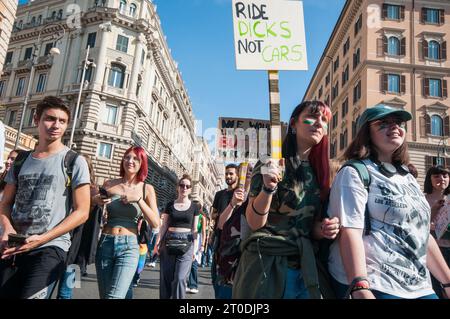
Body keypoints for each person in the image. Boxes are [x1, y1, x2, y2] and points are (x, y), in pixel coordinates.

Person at [328, 104, 450, 299]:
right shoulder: (354, 172)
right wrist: (359, 286)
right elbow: (350, 231)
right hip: (378, 284)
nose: (394, 127)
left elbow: (422, 233)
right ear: (367, 133)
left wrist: (447, 281)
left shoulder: (408, 177)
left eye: (398, 123)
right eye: (384, 123)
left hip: (420, 285)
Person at [233, 100, 340, 299]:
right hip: (266, 265)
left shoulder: (326, 173)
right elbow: (255, 222)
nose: (319, 123)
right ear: (293, 124)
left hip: (306, 268)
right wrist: (268, 188)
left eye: (324, 119)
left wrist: (325, 229)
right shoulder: (269, 162)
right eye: (312, 116)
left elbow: (310, 228)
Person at [0, 96, 91, 299]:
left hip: (50, 247)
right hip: (14, 246)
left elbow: (82, 211)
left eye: (62, 121)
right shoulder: (21, 160)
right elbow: (5, 204)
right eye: (50, 119)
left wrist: (43, 238)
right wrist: (7, 230)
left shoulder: (74, 161)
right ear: (36, 120)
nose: (56, 125)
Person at [94, 146, 159, 299]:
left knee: (113, 297)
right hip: (105, 243)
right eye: (127, 157)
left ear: (142, 163)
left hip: (129, 246)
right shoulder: (109, 184)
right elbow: (91, 204)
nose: (130, 161)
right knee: (107, 296)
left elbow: (156, 222)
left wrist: (138, 200)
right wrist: (96, 200)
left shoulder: (146, 189)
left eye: (135, 158)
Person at [57, 155, 101, 299]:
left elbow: (93, 225)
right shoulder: (65, 185)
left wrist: (93, 202)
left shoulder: (94, 191)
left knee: (66, 292)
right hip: (60, 244)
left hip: (78, 250)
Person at [155, 174, 200, 299]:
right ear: (177, 187)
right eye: (182, 185)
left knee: (180, 278)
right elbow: (164, 225)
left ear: (190, 189)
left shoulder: (194, 207)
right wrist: (157, 243)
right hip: (168, 240)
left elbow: (195, 229)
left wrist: (195, 250)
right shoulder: (169, 205)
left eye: (187, 186)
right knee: (166, 277)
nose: (184, 188)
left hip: (187, 242)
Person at [215, 163, 252, 298]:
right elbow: (220, 224)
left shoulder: (260, 195)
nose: (247, 173)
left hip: (249, 257)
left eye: (251, 170)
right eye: (244, 170)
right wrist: (233, 203)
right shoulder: (229, 195)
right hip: (228, 258)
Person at [210, 164, 239, 298]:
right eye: (226, 173)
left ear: (237, 175)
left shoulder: (240, 194)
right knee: (215, 274)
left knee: (228, 278)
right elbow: (213, 214)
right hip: (219, 237)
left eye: (231, 174)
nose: (228, 176)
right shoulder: (219, 194)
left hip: (234, 241)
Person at [424, 165, 450, 298]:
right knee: (437, 286)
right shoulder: (423, 199)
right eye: (437, 176)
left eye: (445, 176)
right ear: (430, 179)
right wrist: (432, 212)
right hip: (433, 249)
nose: (442, 179)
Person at [187, 201, 206, 294]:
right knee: (187, 262)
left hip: (197, 239)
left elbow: (203, 232)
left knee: (193, 262)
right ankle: (188, 284)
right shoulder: (190, 214)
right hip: (188, 237)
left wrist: (203, 244)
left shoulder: (202, 218)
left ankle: (193, 285)